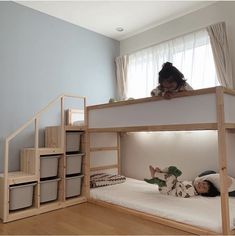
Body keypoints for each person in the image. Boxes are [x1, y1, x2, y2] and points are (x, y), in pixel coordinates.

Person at [144, 165, 220, 198]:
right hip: (170, 186)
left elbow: (182, 194)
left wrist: (176, 183)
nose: (201, 185)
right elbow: (180, 184)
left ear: (202, 193)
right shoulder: (192, 184)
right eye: (203, 183)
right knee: (171, 172)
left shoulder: (192, 192)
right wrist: (176, 182)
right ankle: (160, 173)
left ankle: (155, 175)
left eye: (204, 188)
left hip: (167, 190)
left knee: (171, 177)